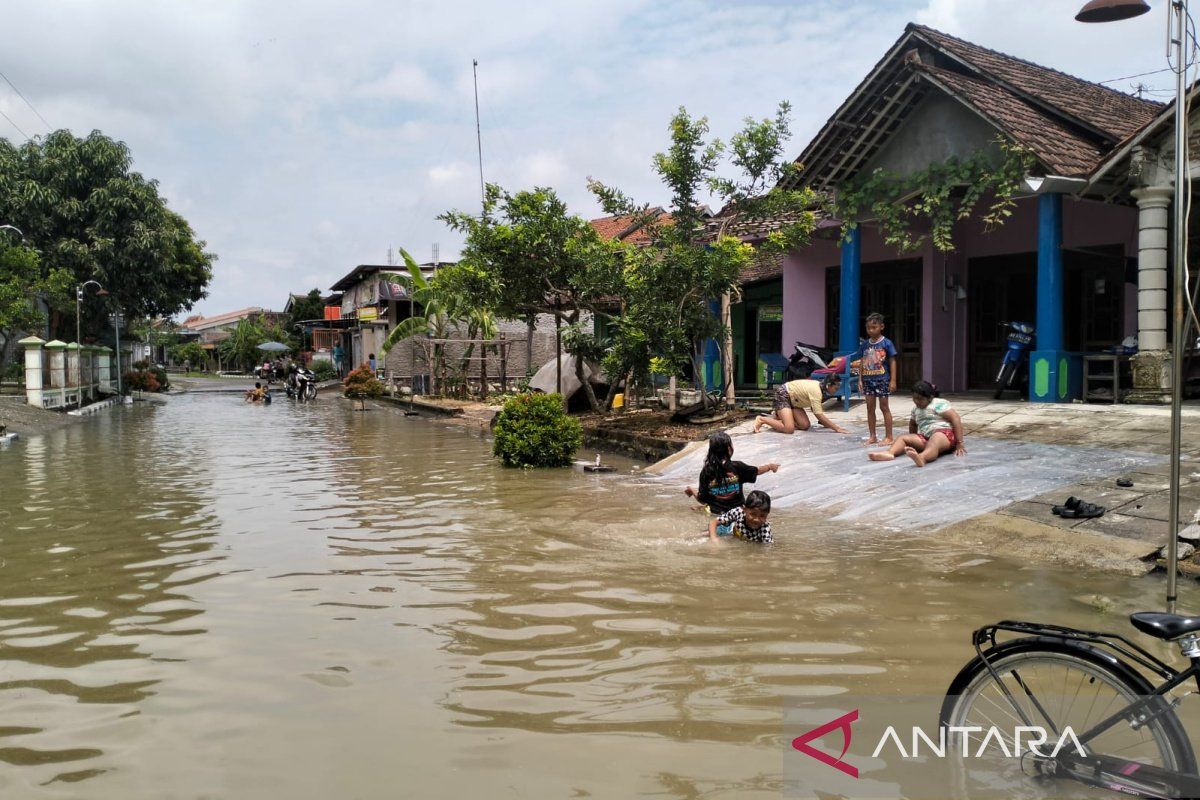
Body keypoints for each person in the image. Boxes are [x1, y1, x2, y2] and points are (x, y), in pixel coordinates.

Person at [868, 380, 965, 467]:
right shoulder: (915, 409)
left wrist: (959, 443)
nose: (917, 402)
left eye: (920, 399)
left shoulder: (938, 403)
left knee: (935, 439)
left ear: (930, 397)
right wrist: (912, 441)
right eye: (914, 398)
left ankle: (922, 458)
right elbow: (913, 425)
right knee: (902, 438)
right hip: (926, 437)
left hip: (944, 436)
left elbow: (955, 419)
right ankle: (890, 453)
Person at [684, 431, 779, 514]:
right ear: (729, 449)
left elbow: (702, 499)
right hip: (737, 511)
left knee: (704, 506)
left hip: (716, 512)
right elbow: (757, 471)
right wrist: (770, 466)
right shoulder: (737, 467)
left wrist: (692, 491)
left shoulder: (706, 472)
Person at [754, 375, 850, 435]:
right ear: (829, 385)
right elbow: (818, 414)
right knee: (789, 429)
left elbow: (815, 409)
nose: (837, 390)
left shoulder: (822, 389)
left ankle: (781, 418)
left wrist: (826, 424)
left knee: (805, 425)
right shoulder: (817, 391)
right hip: (784, 395)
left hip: (795, 401)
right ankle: (762, 419)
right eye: (836, 387)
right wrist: (836, 428)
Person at [857, 312, 898, 445]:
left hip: (882, 380)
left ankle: (889, 436)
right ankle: (872, 436)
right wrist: (860, 380)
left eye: (874, 327)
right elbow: (862, 362)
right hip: (868, 380)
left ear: (882, 327)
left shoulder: (887, 343)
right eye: (868, 328)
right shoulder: (865, 345)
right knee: (870, 408)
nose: (871, 330)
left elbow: (892, 361)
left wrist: (893, 380)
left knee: (884, 408)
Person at [708, 490, 773, 543]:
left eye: (762, 516)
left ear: (767, 515)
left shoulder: (765, 529)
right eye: (753, 514)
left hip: (743, 538)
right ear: (744, 509)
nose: (757, 519)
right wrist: (714, 539)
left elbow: (766, 549)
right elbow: (713, 522)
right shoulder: (738, 512)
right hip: (728, 529)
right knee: (707, 534)